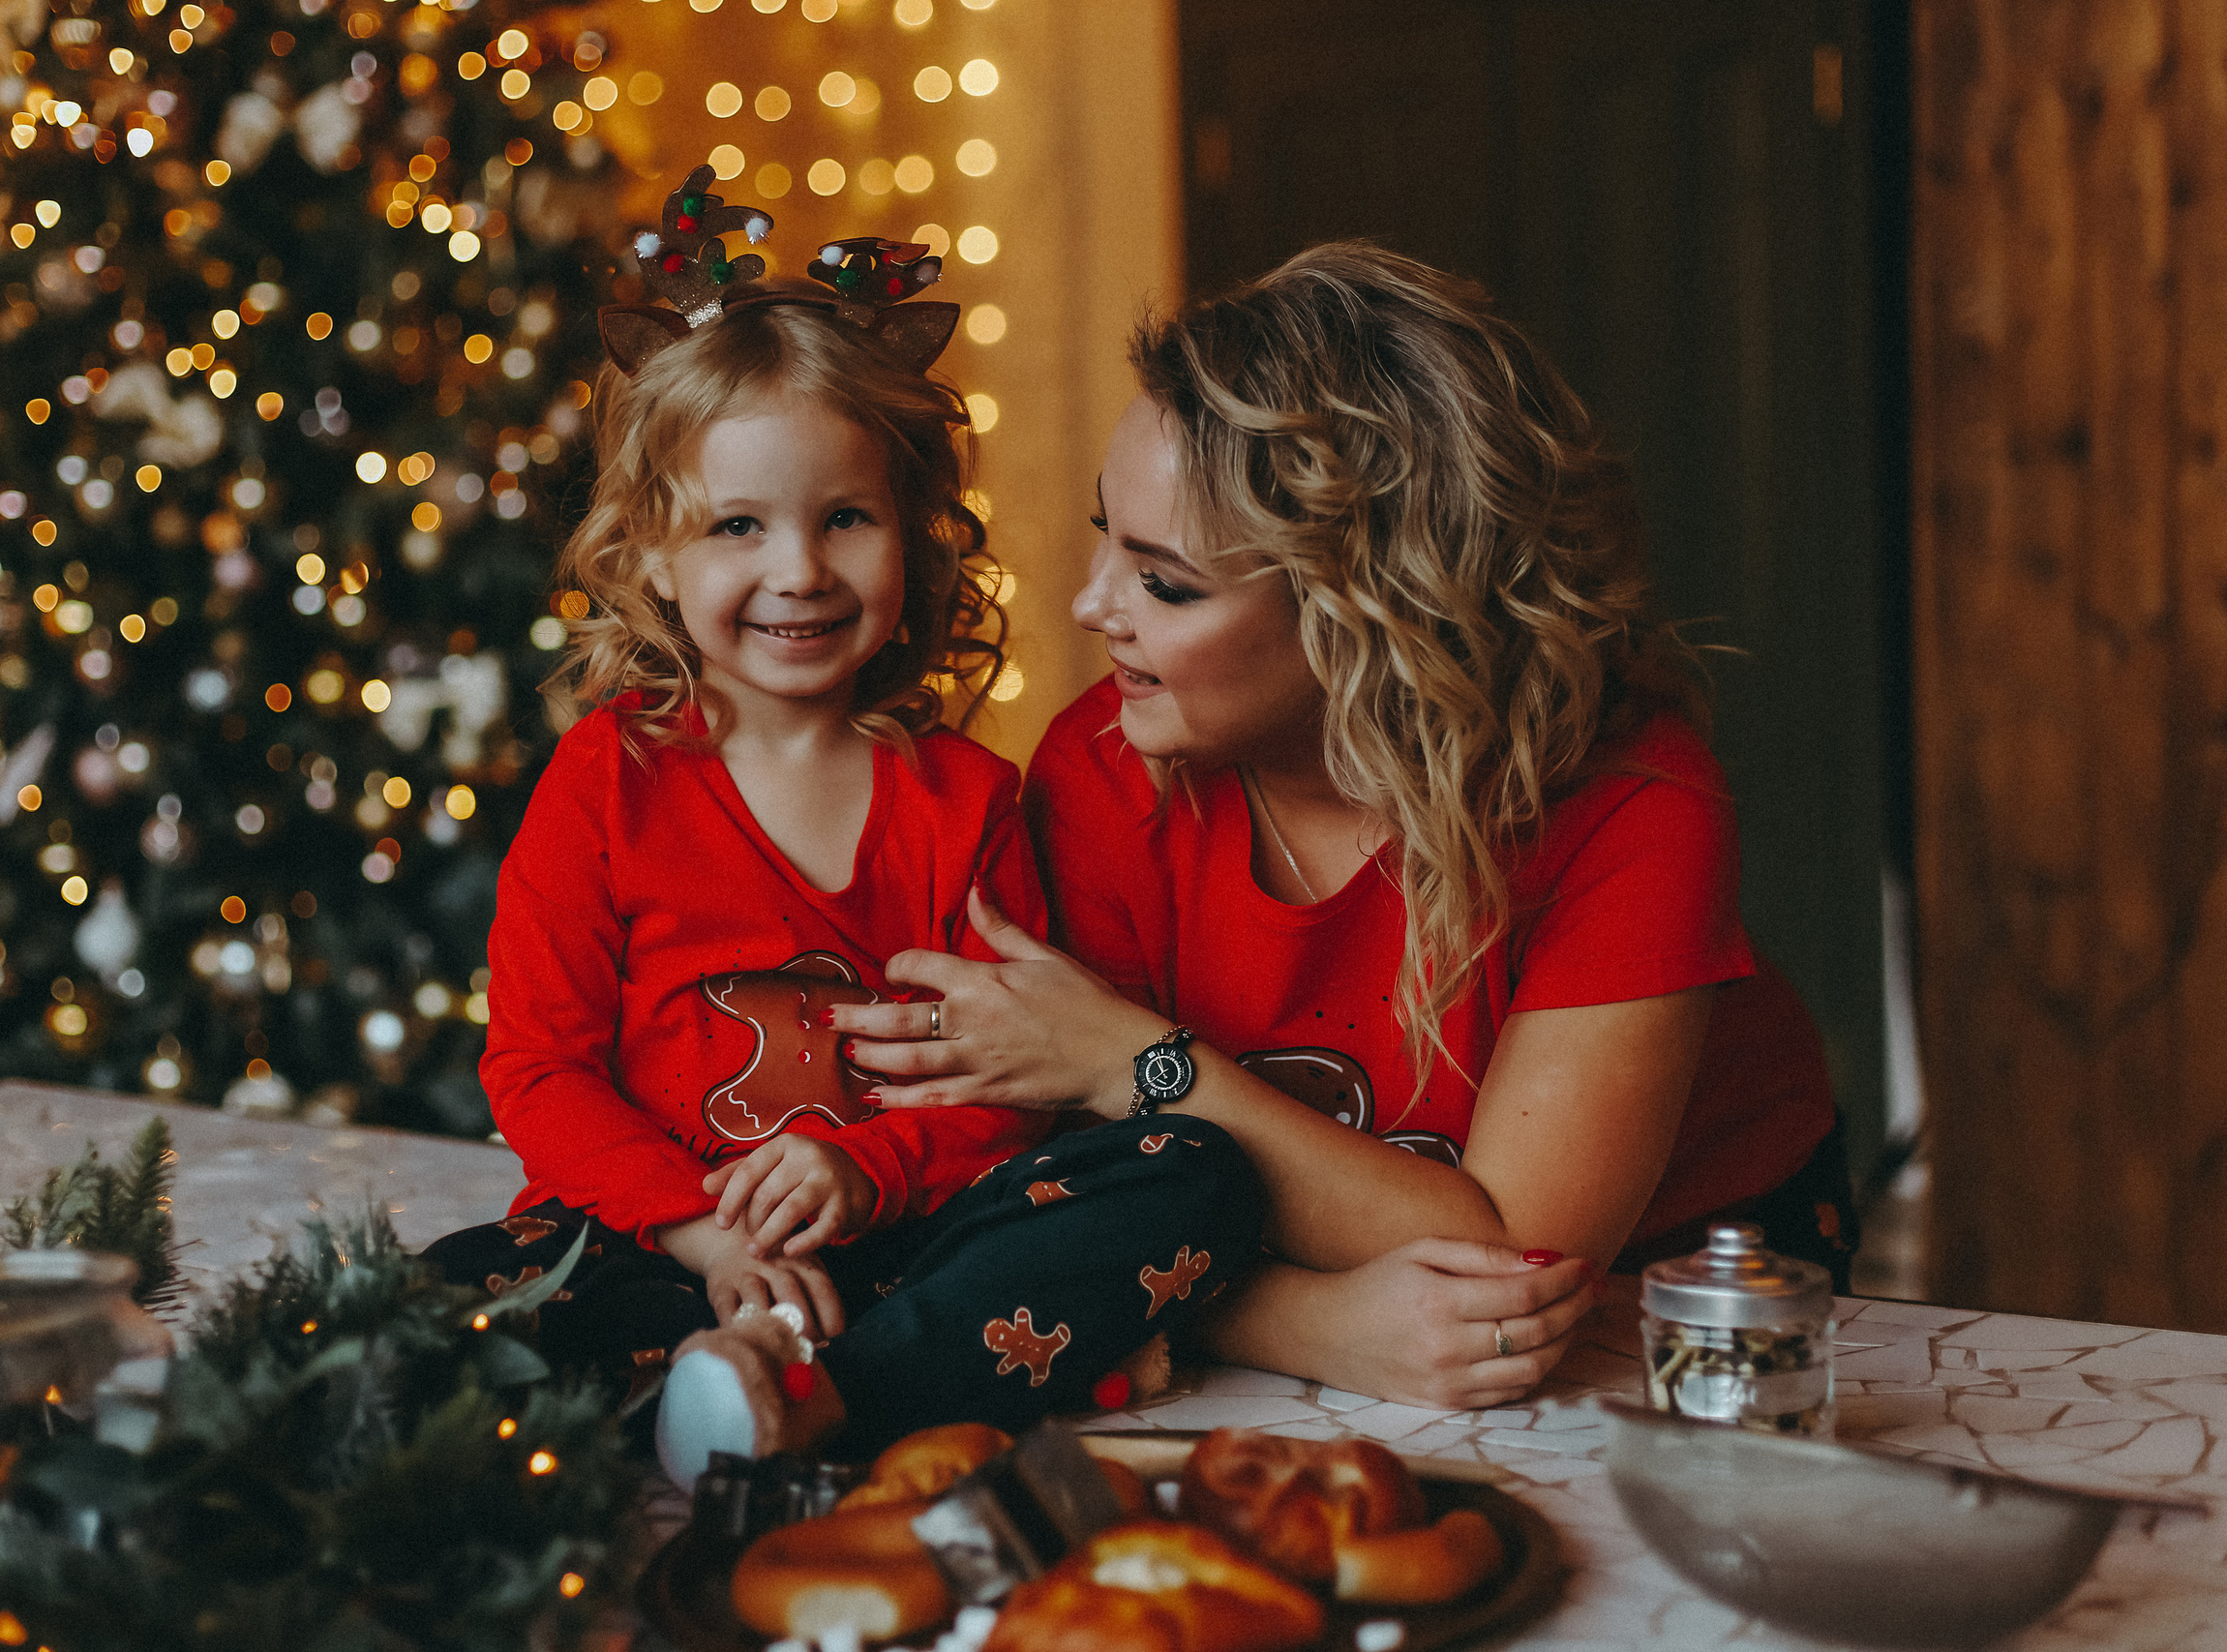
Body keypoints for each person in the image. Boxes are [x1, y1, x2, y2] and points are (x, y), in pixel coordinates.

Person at [830, 242, 1855, 1412]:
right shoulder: (1103, 768)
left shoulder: (1635, 805)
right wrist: (1310, 1328)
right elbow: (1058, 1203)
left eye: (1165, 582)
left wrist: (1127, 1061)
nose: (1091, 604)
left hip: (1673, 1282)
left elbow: (1508, 1265)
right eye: (1106, 532)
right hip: (1295, 1295)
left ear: (1369, 610)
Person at [423, 172, 1264, 1483]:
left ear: (915, 535)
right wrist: (713, 1242)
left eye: (846, 519)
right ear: (650, 553)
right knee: (446, 1300)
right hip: (667, 1244)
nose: (800, 570)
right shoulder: (606, 782)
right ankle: (801, 1376)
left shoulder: (969, 804)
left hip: (907, 1244)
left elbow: (1005, 1098)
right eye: (737, 527)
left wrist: (863, 1171)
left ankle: (825, 1397)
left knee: (1184, 1165)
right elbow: (538, 1069)